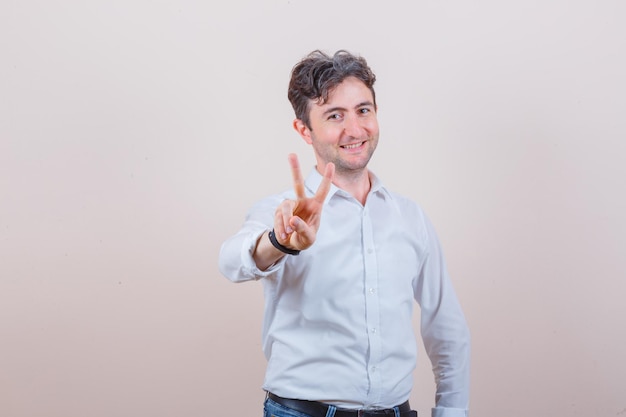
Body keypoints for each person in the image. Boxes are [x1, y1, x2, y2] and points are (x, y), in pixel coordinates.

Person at [219, 50, 470, 417]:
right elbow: (231, 261)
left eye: (363, 110)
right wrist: (278, 243)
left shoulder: (409, 217)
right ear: (304, 130)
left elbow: (446, 325)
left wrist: (452, 410)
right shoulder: (284, 212)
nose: (355, 129)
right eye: (335, 115)